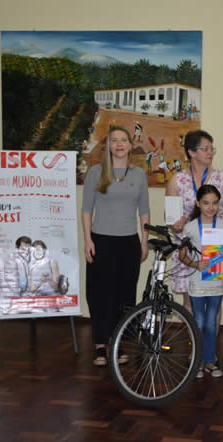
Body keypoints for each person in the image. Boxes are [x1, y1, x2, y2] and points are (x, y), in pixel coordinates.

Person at [82, 125, 150, 367]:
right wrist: (88, 240)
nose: (119, 144)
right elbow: (87, 210)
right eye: (114, 140)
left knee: (124, 295)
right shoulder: (96, 172)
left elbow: (144, 212)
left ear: (131, 146)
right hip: (101, 241)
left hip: (128, 243)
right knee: (100, 294)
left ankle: (119, 342)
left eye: (123, 140)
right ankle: (101, 345)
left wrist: (144, 241)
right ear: (108, 146)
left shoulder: (139, 175)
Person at [166, 130, 223, 313]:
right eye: (205, 149)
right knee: (190, 300)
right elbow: (172, 219)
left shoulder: (222, 178)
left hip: (217, 246)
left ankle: (210, 342)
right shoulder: (177, 180)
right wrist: (176, 226)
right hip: (189, 246)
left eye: (211, 148)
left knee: (215, 300)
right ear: (191, 152)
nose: (210, 153)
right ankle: (195, 341)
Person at [179, 185, 223, 379]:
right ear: (198, 203)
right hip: (197, 282)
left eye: (214, 203)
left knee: (212, 322)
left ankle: (210, 361)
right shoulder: (190, 228)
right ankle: (197, 361)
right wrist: (196, 264)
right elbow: (182, 255)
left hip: (216, 282)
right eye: (206, 203)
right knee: (198, 321)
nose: (210, 207)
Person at [0, 236, 32, 314]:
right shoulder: (5, 261)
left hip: (25, 304)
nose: (25, 252)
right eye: (23, 249)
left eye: (28, 250)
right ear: (16, 247)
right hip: (9, 305)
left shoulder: (33, 262)